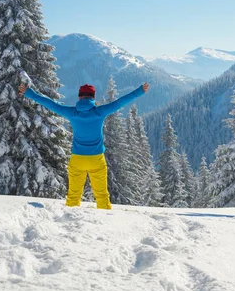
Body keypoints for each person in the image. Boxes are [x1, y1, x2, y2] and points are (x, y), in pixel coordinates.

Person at [18, 82, 150, 209]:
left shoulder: (72, 113)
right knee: (102, 196)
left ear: (80, 97)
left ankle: (69, 224)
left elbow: (50, 103)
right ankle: (106, 225)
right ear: (93, 97)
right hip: (97, 159)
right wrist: (140, 91)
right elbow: (120, 102)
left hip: (77, 159)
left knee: (74, 196)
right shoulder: (99, 112)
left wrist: (30, 93)